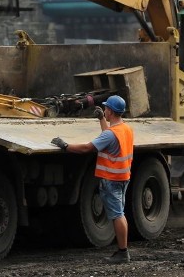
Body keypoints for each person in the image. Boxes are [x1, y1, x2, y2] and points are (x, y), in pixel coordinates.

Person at [50, 95, 134, 264]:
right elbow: (108, 139)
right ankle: (122, 250)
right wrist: (102, 120)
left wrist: (65, 146)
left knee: (117, 215)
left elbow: (88, 148)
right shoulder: (125, 129)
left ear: (110, 110)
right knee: (119, 213)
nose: (104, 110)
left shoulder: (111, 134)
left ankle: (123, 252)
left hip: (111, 179)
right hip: (122, 177)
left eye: (105, 109)